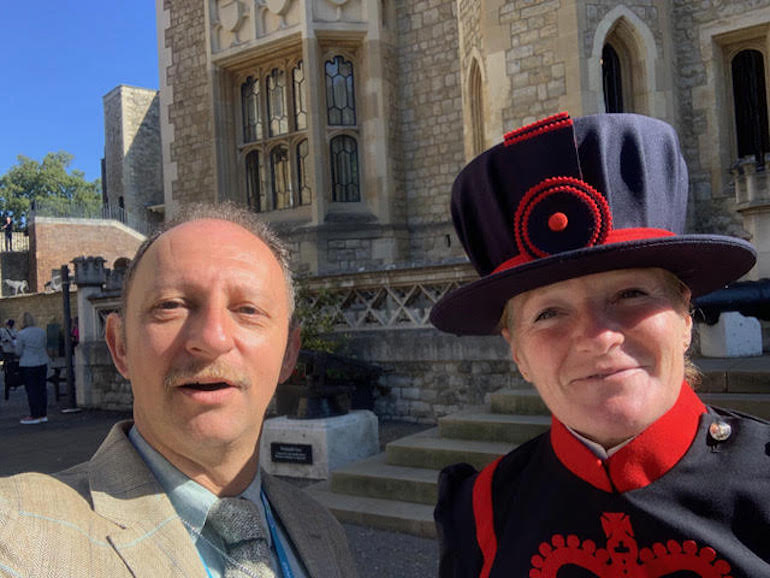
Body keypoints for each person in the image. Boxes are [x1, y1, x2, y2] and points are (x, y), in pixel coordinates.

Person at [430, 113, 770, 577]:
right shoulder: (483, 512)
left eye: (630, 294)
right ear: (517, 351)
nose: (597, 336)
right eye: (549, 313)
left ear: (685, 316)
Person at [0, 203, 357, 576]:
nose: (212, 338)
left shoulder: (322, 532)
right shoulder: (20, 533)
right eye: (170, 306)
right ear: (120, 346)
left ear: (288, 354)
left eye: (248, 309)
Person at [14, 312, 50, 424]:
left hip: (28, 364)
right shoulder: (41, 332)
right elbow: (45, 345)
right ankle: (43, 414)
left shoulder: (21, 334)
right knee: (42, 389)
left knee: (31, 390)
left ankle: (34, 414)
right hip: (42, 362)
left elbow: (18, 351)